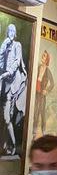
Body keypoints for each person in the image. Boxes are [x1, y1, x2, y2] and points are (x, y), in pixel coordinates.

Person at [0, 23, 27, 157]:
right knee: (5, 118)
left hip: (14, 85)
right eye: (9, 30)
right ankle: (5, 145)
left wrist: (7, 73)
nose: (11, 32)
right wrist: (3, 47)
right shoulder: (5, 45)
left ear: (15, 33)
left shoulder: (17, 45)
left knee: (6, 119)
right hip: (4, 85)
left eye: (13, 30)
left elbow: (17, 62)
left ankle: (14, 146)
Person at [33, 50, 54, 138]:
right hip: (35, 93)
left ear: (47, 60)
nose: (42, 57)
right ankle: (33, 131)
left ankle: (43, 130)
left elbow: (52, 83)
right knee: (35, 112)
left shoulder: (48, 71)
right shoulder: (37, 68)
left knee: (42, 112)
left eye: (44, 56)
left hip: (42, 94)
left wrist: (47, 90)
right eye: (42, 55)